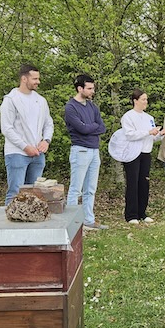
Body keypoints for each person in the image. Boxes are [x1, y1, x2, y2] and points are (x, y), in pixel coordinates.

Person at [0, 64, 54, 205]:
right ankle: (10, 225)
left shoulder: (41, 100)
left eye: (38, 78)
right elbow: (6, 128)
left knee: (34, 194)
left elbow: (48, 123)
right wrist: (25, 147)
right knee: (15, 193)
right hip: (17, 154)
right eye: (35, 79)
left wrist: (46, 141)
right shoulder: (11, 100)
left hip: (37, 154)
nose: (38, 82)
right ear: (24, 79)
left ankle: (28, 224)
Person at [64, 74, 108, 230]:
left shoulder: (92, 106)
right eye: (89, 88)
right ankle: (72, 224)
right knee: (76, 189)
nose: (92, 91)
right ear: (79, 88)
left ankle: (89, 220)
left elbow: (102, 127)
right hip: (80, 150)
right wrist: (92, 127)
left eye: (93, 88)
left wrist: (90, 128)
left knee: (90, 188)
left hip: (94, 151)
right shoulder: (70, 107)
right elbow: (81, 128)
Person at [121, 89, 165, 223]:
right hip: (133, 153)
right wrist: (148, 132)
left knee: (144, 182)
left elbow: (152, 137)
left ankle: (142, 212)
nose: (146, 102)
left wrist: (161, 135)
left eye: (146, 99)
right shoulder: (128, 116)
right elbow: (129, 134)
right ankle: (131, 215)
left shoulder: (149, 118)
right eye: (143, 99)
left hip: (146, 153)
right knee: (133, 183)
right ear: (135, 101)